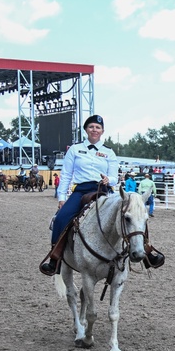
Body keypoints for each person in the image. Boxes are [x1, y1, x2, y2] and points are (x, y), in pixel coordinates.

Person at [39, 114, 118, 276]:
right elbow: (66, 174)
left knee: (125, 217)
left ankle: (138, 254)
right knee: (61, 218)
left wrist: (108, 179)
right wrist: (61, 198)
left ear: (102, 131)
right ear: (86, 130)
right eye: (91, 127)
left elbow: (115, 177)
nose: (94, 130)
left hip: (102, 190)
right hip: (81, 191)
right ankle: (55, 258)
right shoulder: (75, 149)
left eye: (97, 127)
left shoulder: (109, 152)